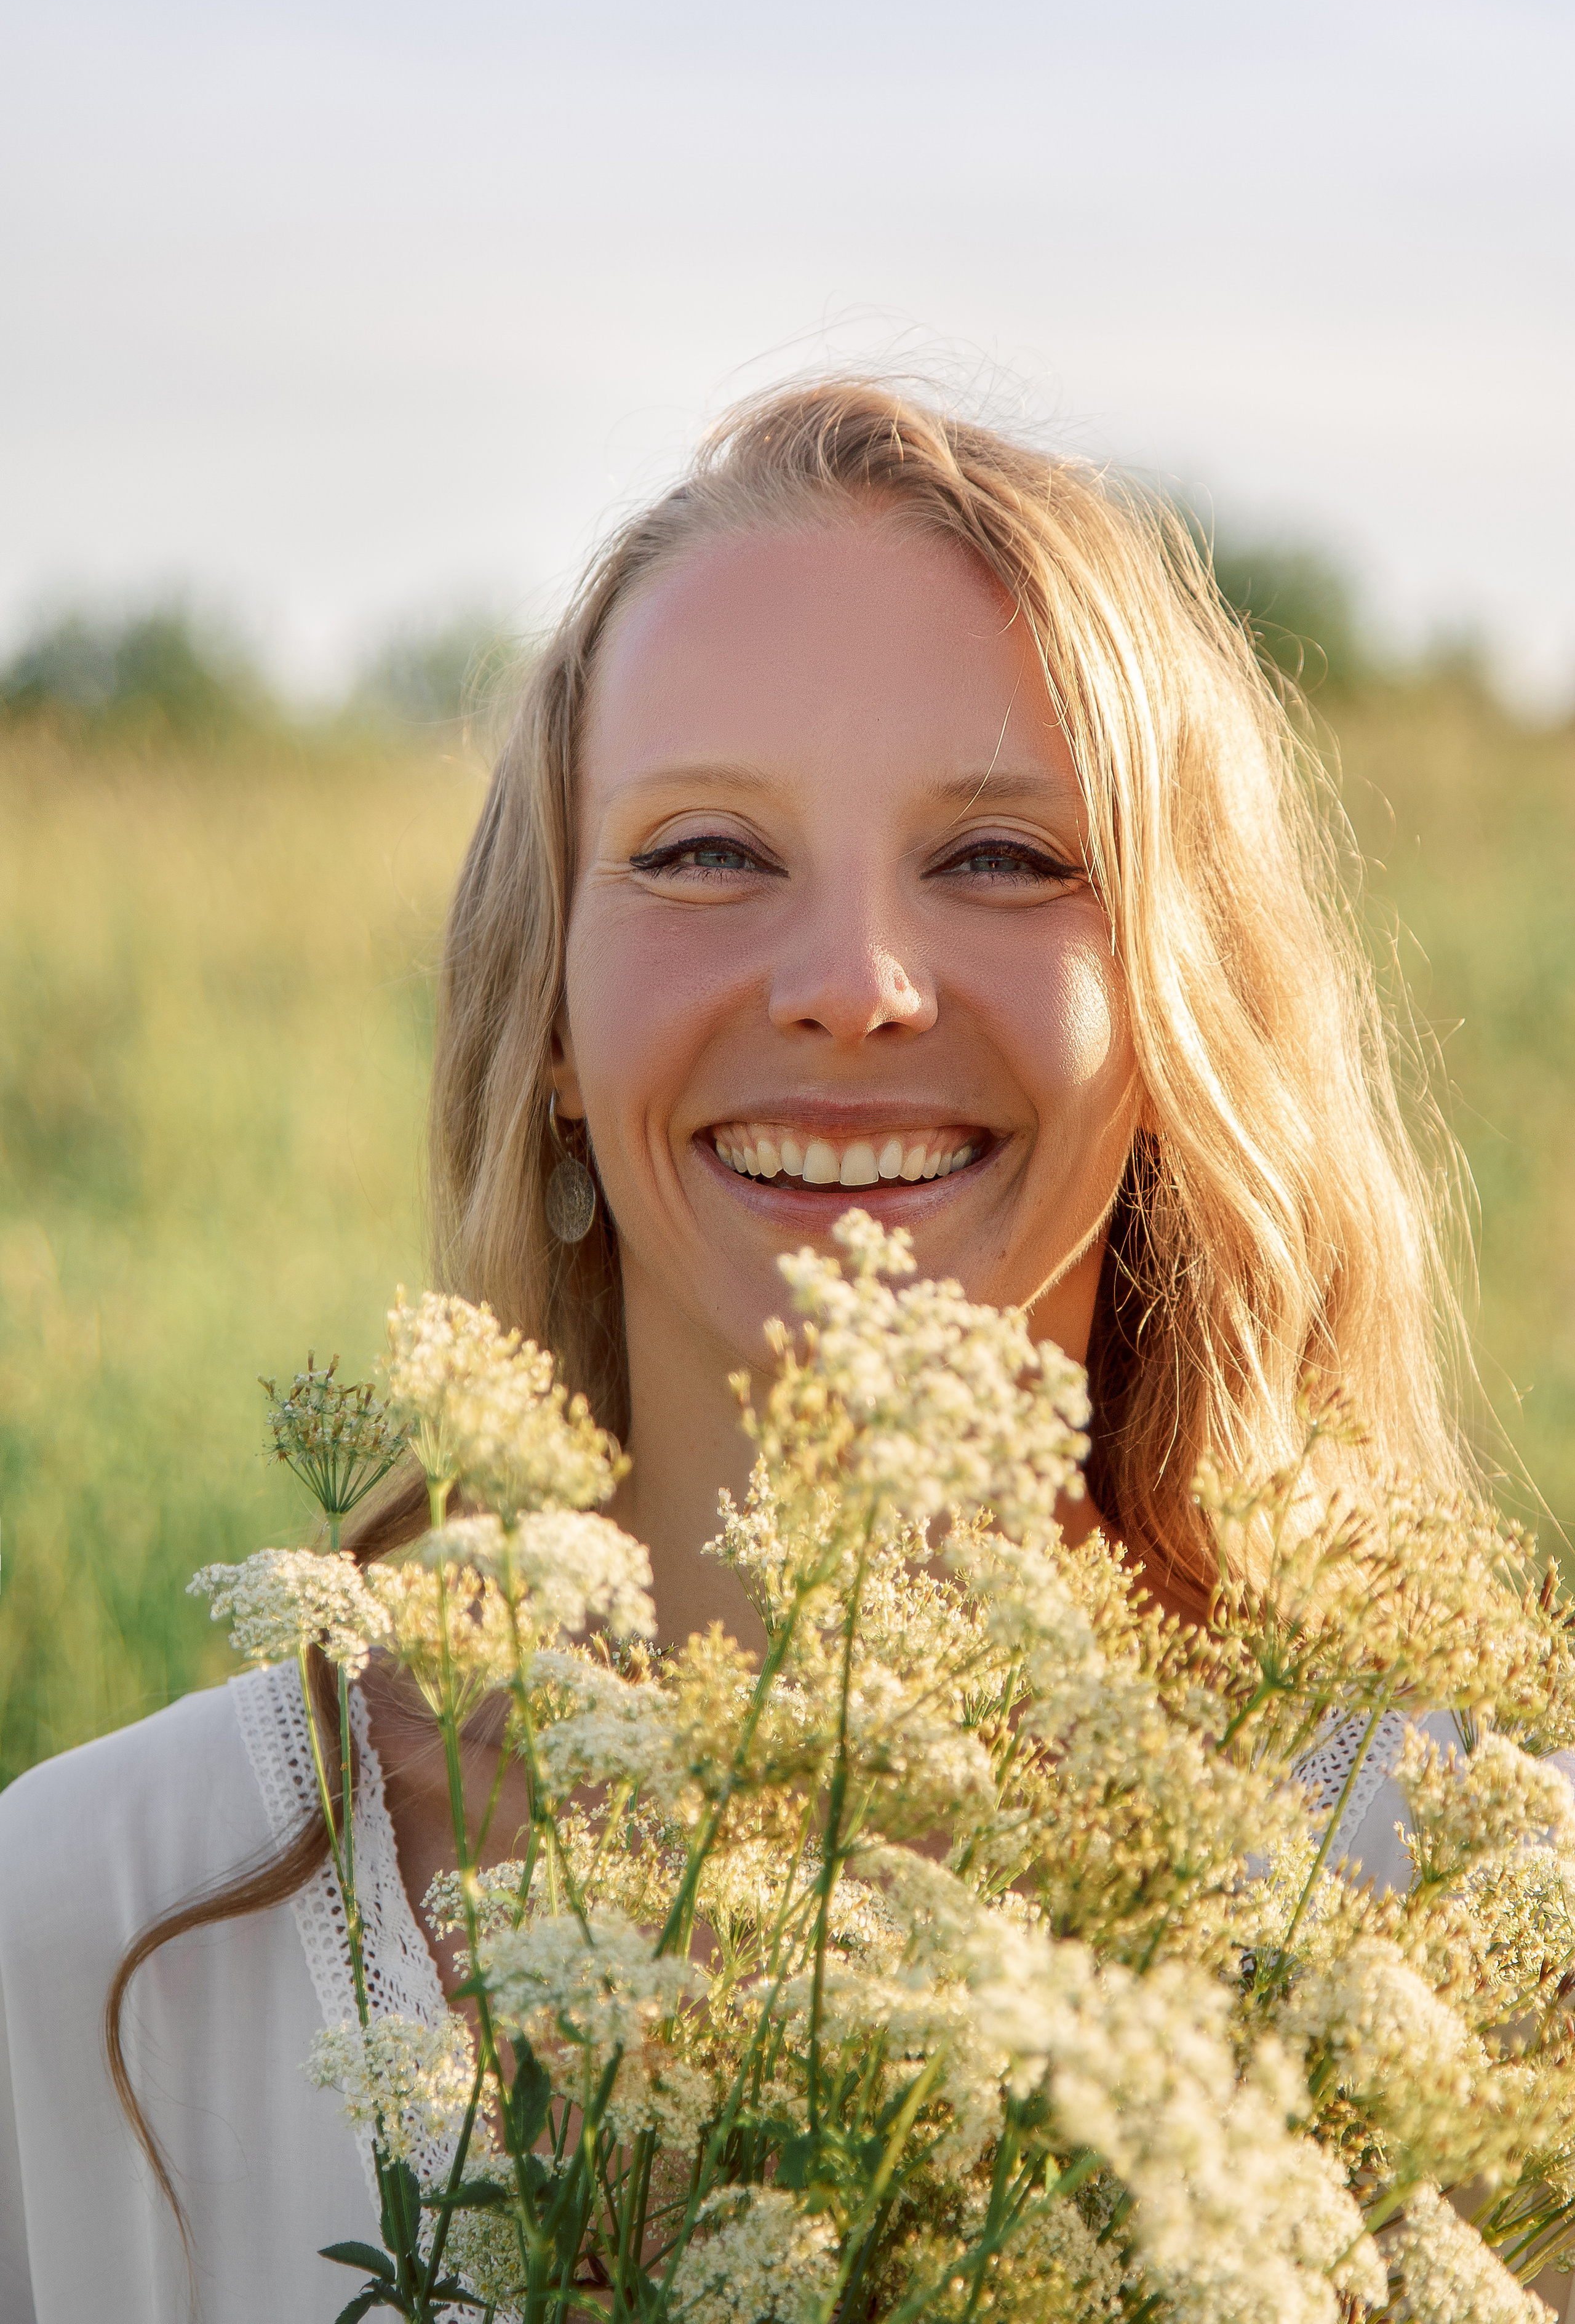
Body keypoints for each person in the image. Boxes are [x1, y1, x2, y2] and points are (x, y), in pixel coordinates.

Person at [0, 380, 1508, 2321]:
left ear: (1178, 1022)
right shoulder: (103, 1944)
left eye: (1002, 859)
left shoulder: (1444, 1920)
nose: (853, 990)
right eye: (708, 852)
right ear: (547, 1019)